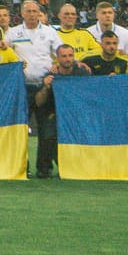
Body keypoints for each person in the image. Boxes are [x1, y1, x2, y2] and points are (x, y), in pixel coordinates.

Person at [31, 44, 90, 178]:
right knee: (48, 133)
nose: (67, 59)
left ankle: (76, 167)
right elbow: (39, 102)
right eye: (64, 56)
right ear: (57, 58)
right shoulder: (51, 75)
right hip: (55, 113)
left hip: (77, 114)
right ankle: (45, 168)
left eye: (70, 55)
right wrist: (46, 87)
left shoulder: (82, 73)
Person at [4, 0, 63, 87]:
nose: (31, 14)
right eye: (28, 11)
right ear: (22, 14)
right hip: (21, 83)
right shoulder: (12, 33)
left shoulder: (50, 32)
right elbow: (4, 52)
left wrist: (57, 64)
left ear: (38, 13)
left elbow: (61, 52)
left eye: (34, 11)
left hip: (45, 83)